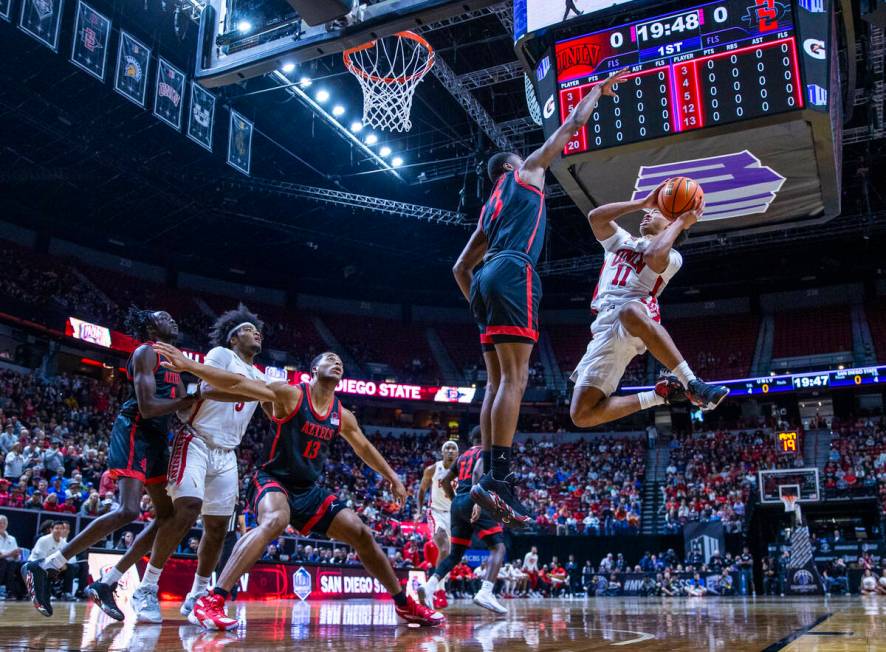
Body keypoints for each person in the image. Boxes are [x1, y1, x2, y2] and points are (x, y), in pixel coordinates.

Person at [152, 344, 443, 629]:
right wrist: (190, 366)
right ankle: (213, 599)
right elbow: (240, 382)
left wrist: (392, 476)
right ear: (314, 370)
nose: (337, 362)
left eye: (340, 360)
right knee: (276, 519)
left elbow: (364, 448)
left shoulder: (341, 414)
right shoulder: (290, 394)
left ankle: (404, 603)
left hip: (308, 489)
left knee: (361, 533)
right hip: (271, 479)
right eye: (330, 358)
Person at [452, 67, 629, 525]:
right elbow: (570, 128)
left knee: (496, 382)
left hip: (487, 279)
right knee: (516, 379)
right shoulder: (525, 173)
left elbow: (459, 268)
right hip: (513, 272)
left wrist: (477, 303)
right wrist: (596, 91)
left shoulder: (487, 213)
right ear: (512, 166)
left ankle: (489, 477)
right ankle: (499, 479)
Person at [90, 305, 271, 623]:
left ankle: (198, 594)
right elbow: (213, 387)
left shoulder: (262, 376)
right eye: (247, 329)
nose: (256, 332)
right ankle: (147, 587)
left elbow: (276, 412)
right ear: (232, 338)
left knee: (217, 529)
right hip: (196, 439)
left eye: (257, 330)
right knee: (186, 508)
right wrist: (258, 390)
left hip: (228, 454)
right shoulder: (220, 355)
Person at [22, 309, 197, 618]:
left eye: (172, 315)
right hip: (135, 429)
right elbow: (147, 406)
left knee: (167, 516)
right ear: (148, 326)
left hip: (158, 438)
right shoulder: (145, 353)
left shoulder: (176, 359)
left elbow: (183, 410)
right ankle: (46, 565)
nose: (171, 318)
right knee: (128, 509)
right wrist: (187, 401)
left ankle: (109, 581)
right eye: (162, 316)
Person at [568, 186, 730, 429]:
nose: (648, 213)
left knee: (629, 311)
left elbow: (654, 255)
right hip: (603, 326)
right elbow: (595, 217)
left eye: (658, 213)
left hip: (638, 311)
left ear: (671, 224)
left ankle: (692, 383)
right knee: (581, 414)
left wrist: (681, 223)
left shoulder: (673, 256)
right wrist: (641, 201)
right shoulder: (621, 240)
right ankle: (661, 395)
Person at [419, 439, 507, 615]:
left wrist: (456, 501)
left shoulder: (462, 457)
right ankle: (486, 591)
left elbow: (444, 482)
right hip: (473, 500)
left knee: (455, 554)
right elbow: (476, 473)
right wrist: (477, 503)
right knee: (498, 547)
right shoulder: (486, 452)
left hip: (456, 504)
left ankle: (430, 586)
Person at [417, 439, 459, 606]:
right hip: (436, 513)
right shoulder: (432, 469)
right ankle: (438, 591)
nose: (450, 450)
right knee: (444, 548)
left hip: (454, 515)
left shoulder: (463, 471)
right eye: (447, 448)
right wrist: (419, 510)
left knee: (449, 555)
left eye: (453, 448)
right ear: (442, 452)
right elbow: (421, 490)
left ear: (457, 453)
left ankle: (436, 588)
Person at [30, 521, 79, 601]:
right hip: (35, 563)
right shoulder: (43, 540)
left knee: (71, 567)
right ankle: (48, 593)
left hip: (54, 564)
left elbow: (69, 559)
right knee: (47, 569)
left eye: (61, 529)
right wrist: (57, 564)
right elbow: (41, 558)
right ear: (51, 530)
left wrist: (63, 564)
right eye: (56, 528)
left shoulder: (64, 543)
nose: (59, 530)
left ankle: (66, 593)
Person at [0, 515, 22, 599]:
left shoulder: (12, 539)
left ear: (7, 524)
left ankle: (10, 591)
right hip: (2, 562)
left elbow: (16, 556)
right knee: (4, 563)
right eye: (0, 523)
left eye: (4, 523)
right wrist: (9, 554)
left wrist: (16, 555)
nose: (2, 525)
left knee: (15, 564)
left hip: (10, 562)